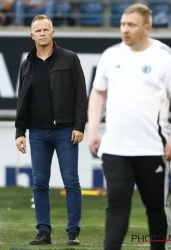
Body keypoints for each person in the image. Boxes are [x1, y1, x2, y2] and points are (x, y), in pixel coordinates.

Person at [88, 4, 171, 250]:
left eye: (131, 25)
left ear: (147, 28)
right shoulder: (110, 55)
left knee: (156, 208)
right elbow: (97, 93)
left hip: (152, 148)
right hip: (115, 148)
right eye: (123, 24)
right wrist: (93, 129)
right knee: (117, 204)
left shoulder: (164, 57)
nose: (125, 29)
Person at [15, 14, 88, 246]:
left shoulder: (70, 59)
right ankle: (43, 232)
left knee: (71, 181)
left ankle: (73, 232)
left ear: (53, 32)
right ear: (32, 35)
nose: (43, 33)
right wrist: (20, 132)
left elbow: (80, 96)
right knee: (39, 183)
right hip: (37, 133)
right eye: (39, 30)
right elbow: (22, 100)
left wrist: (79, 126)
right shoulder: (26, 64)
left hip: (65, 131)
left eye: (46, 29)